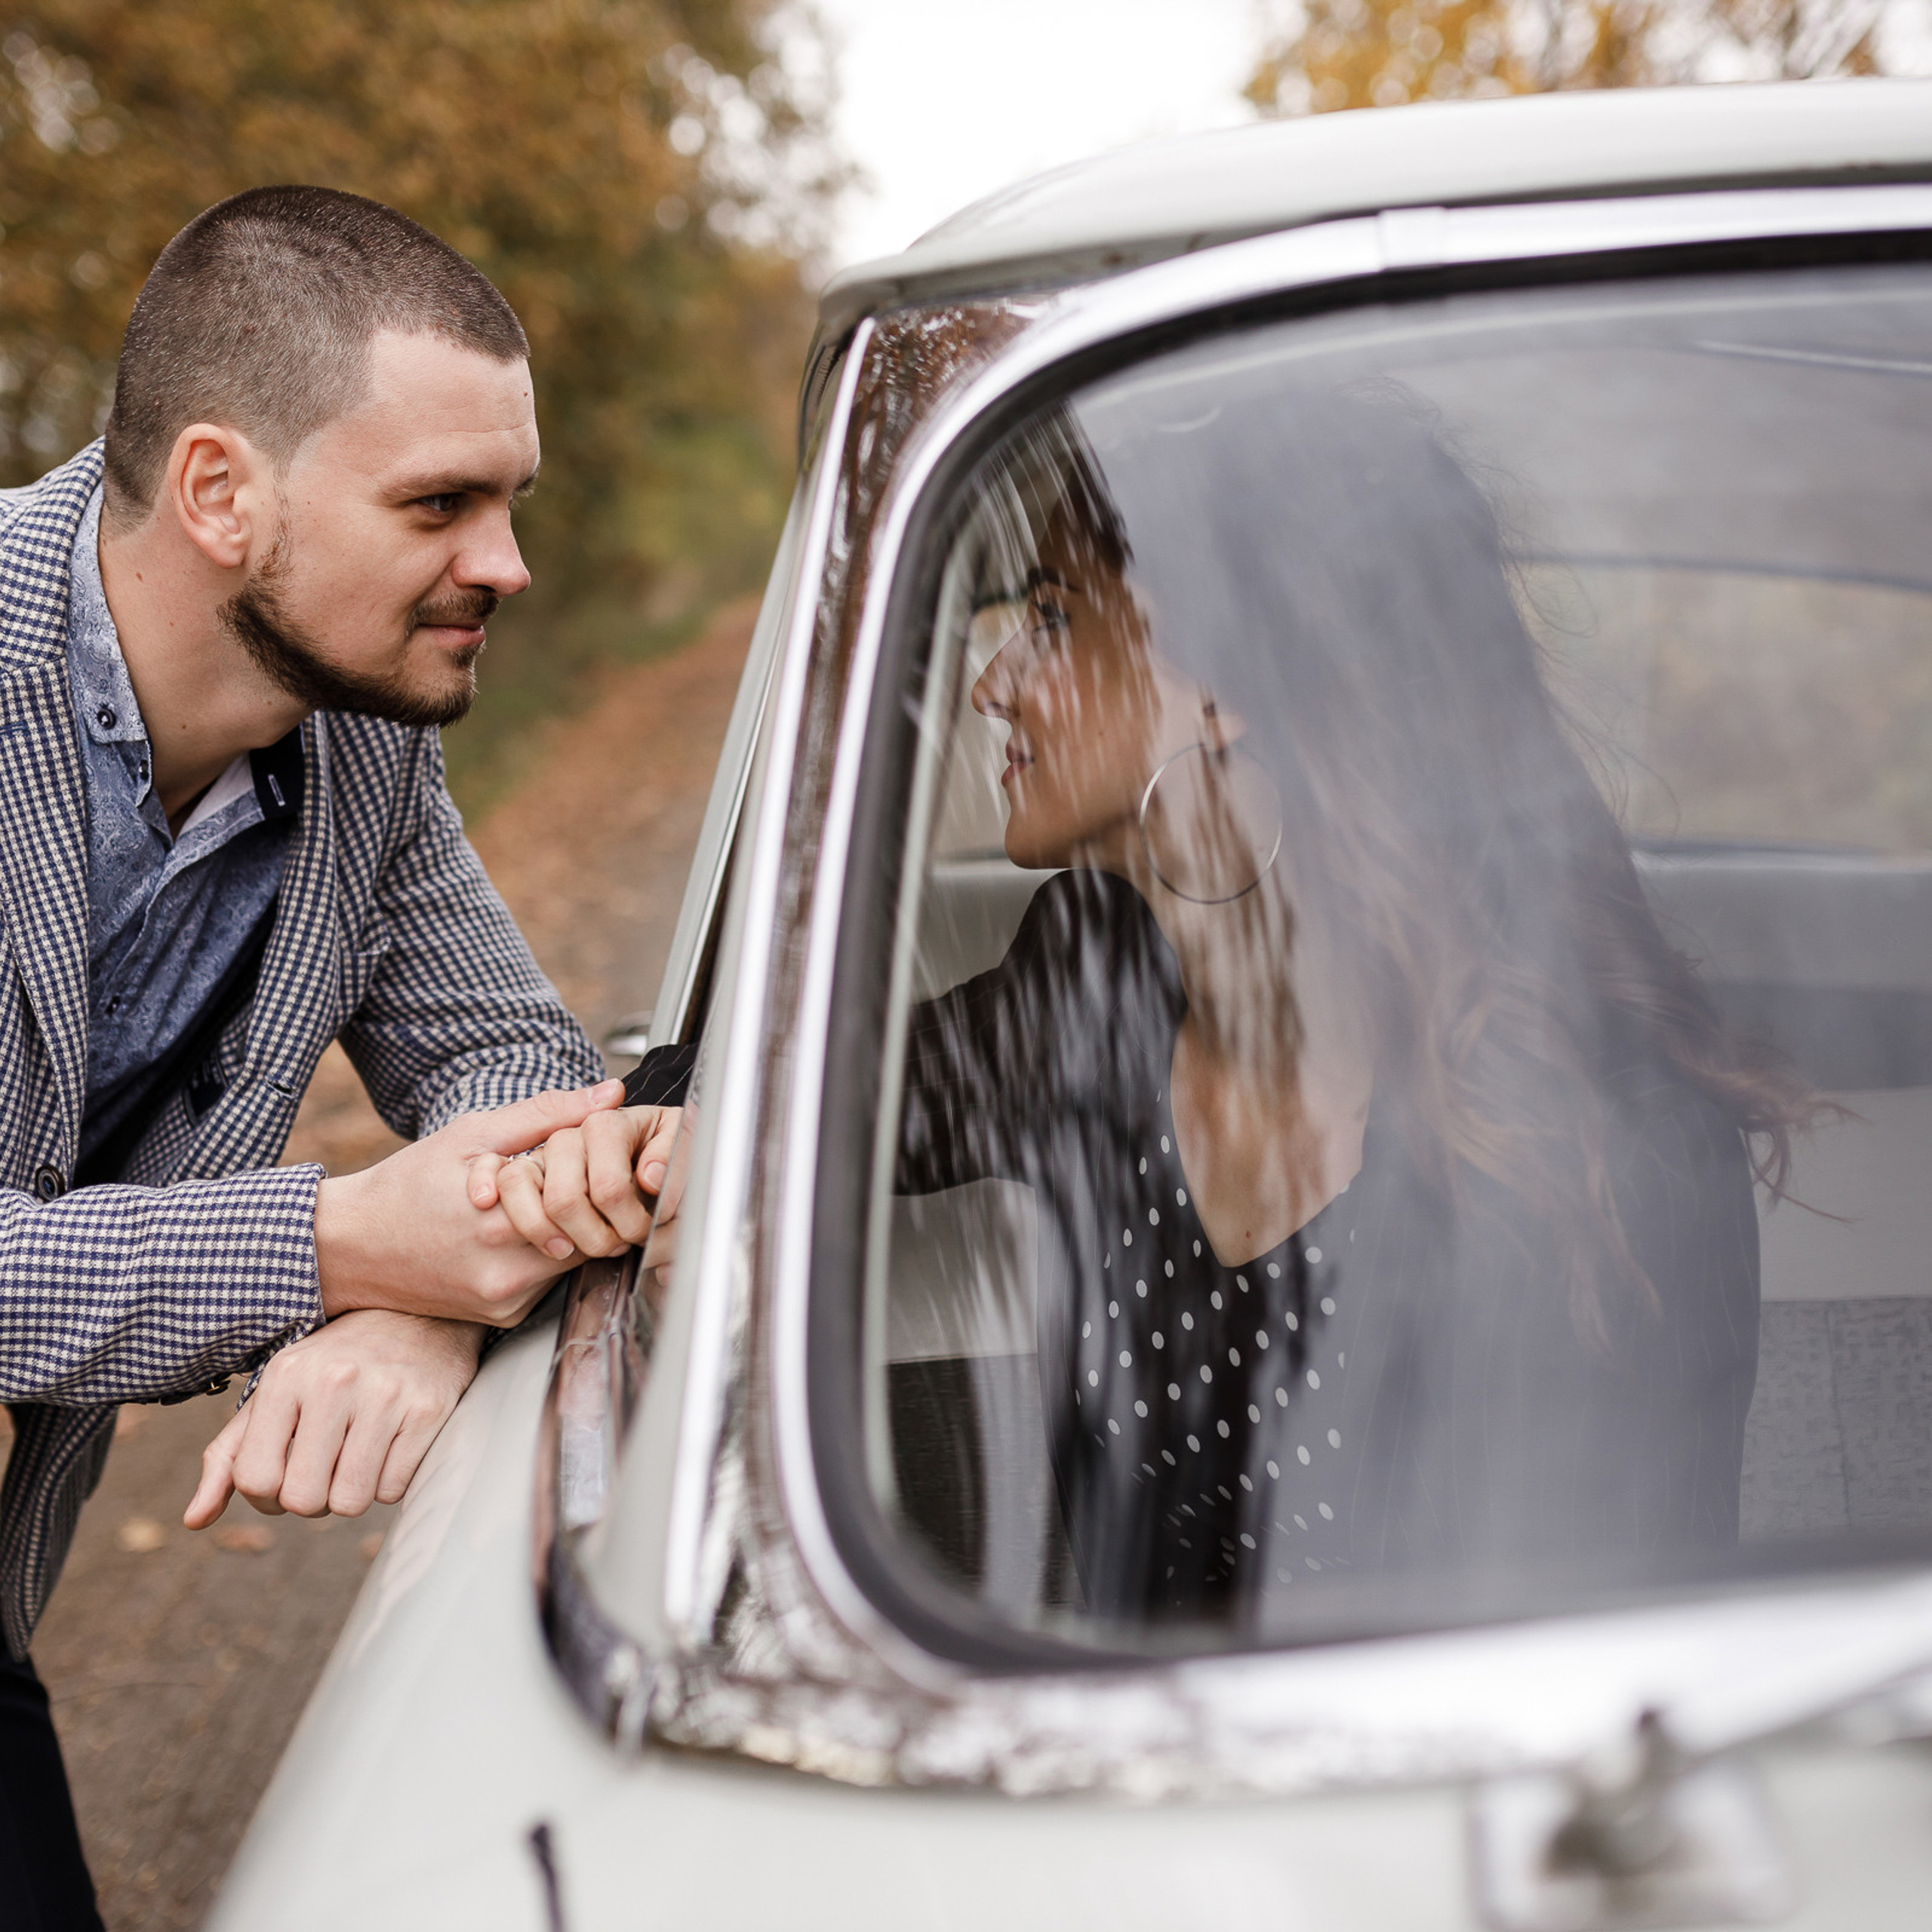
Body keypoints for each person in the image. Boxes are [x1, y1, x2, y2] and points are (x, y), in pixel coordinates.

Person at [0, 187, 672, 1928]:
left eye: (508, 500)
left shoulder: (352, 743)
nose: (507, 563)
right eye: (439, 502)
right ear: (221, 492)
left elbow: (517, 1061)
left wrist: (426, 1298)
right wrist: (343, 1241)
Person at [894, 395, 1811, 1629]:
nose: (992, 685)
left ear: (1228, 687)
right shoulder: (1089, 976)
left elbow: (1591, 1677)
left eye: (1054, 620)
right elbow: (808, 1104)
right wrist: (626, 1148)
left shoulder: (1604, 1148)